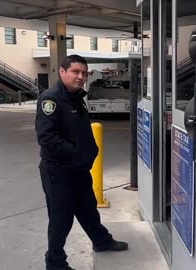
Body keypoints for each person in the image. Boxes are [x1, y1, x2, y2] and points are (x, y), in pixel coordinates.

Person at [35, 54, 128, 270]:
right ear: (62, 72)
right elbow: (46, 138)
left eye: (84, 73)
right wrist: (78, 154)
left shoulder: (76, 97)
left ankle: (102, 241)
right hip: (58, 171)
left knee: (88, 208)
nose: (80, 77)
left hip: (78, 169)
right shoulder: (51, 99)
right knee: (61, 220)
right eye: (75, 72)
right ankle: (55, 263)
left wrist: (90, 152)